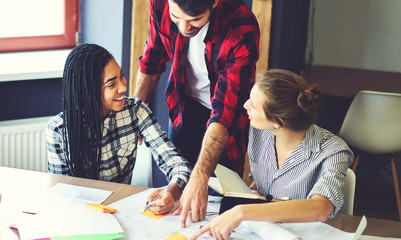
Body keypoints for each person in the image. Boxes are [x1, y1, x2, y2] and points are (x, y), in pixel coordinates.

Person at [134, 0, 260, 225]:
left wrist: (201, 175)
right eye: (176, 18)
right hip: (183, 108)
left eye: (194, 20)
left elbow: (225, 111)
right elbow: (152, 60)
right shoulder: (161, 4)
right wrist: (135, 113)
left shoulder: (241, 27)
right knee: (177, 193)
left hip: (224, 124)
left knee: (220, 205)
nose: (184, 28)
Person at [191, 69, 354, 240]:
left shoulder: (334, 151)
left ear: (277, 122)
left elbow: (320, 208)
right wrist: (256, 194)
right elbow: (269, 180)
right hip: (259, 231)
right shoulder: (259, 131)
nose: (246, 105)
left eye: (253, 105)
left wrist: (242, 211)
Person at [46, 43, 191, 214]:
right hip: (82, 215)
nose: (123, 87)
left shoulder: (136, 110)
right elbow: (63, 194)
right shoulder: (58, 130)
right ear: (89, 92)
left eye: (121, 77)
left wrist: (171, 192)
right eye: (111, 84)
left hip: (123, 211)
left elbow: (178, 165)